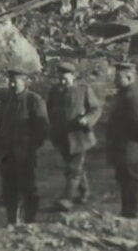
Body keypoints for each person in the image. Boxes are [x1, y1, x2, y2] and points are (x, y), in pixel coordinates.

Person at [0, 68, 49, 225]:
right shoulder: (7, 100)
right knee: (9, 190)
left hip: (24, 155)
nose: (12, 84)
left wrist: (31, 148)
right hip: (6, 155)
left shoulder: (33, 100)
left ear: (25, 82)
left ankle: (30, 222)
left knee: (28, 189)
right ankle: (12, 222)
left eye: (15, 80)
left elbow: (42, 129)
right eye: (10, 80)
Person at [47, 60, 102, 211]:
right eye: (60, 77)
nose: (62, 80)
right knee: (75, 167)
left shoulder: (83, 90)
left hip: (79, 136)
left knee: (73, 169)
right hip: (62, 137)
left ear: (73, 76)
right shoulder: (55, 91)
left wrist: (87, 119)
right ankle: (85, 192)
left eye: (65, 77)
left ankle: (67, 199)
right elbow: (49, 110)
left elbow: (96, 108)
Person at [106, 62, 138, 218]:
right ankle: (127, 211)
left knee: (131, 180)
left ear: (129, 77)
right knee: (124, 178)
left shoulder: (134, 95)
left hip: (131, 146)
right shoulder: (123, 93)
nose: (114, 80)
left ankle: (132, 213)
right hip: (122, 145)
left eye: (118, 77)